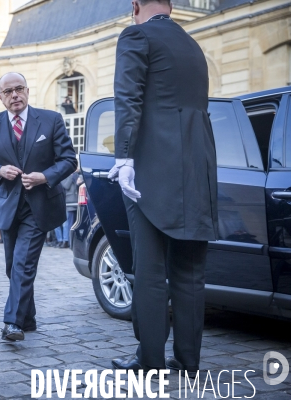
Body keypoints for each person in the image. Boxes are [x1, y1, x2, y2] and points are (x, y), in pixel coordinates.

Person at [108, 0, 218, 377]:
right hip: (198, 171)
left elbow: (128, 98)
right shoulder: (192, 45)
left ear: (135, 6)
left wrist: (123, 157)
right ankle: (189, 362)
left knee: (151, 270)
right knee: (189, 272)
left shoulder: (136, 34)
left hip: (151, 172)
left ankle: (150, 359)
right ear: (171, 6)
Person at [0, 72, 77, 341]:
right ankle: (27, 318)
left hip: (40, 205)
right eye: (8, 91)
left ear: (28, 91)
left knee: (22, 263)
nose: (14, 95)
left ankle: (13, 323)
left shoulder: (51, 120)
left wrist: (46, 176)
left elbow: (69, 160)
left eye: (19, 89)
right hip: (8, 205)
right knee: (12, 266)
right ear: (0, 97)